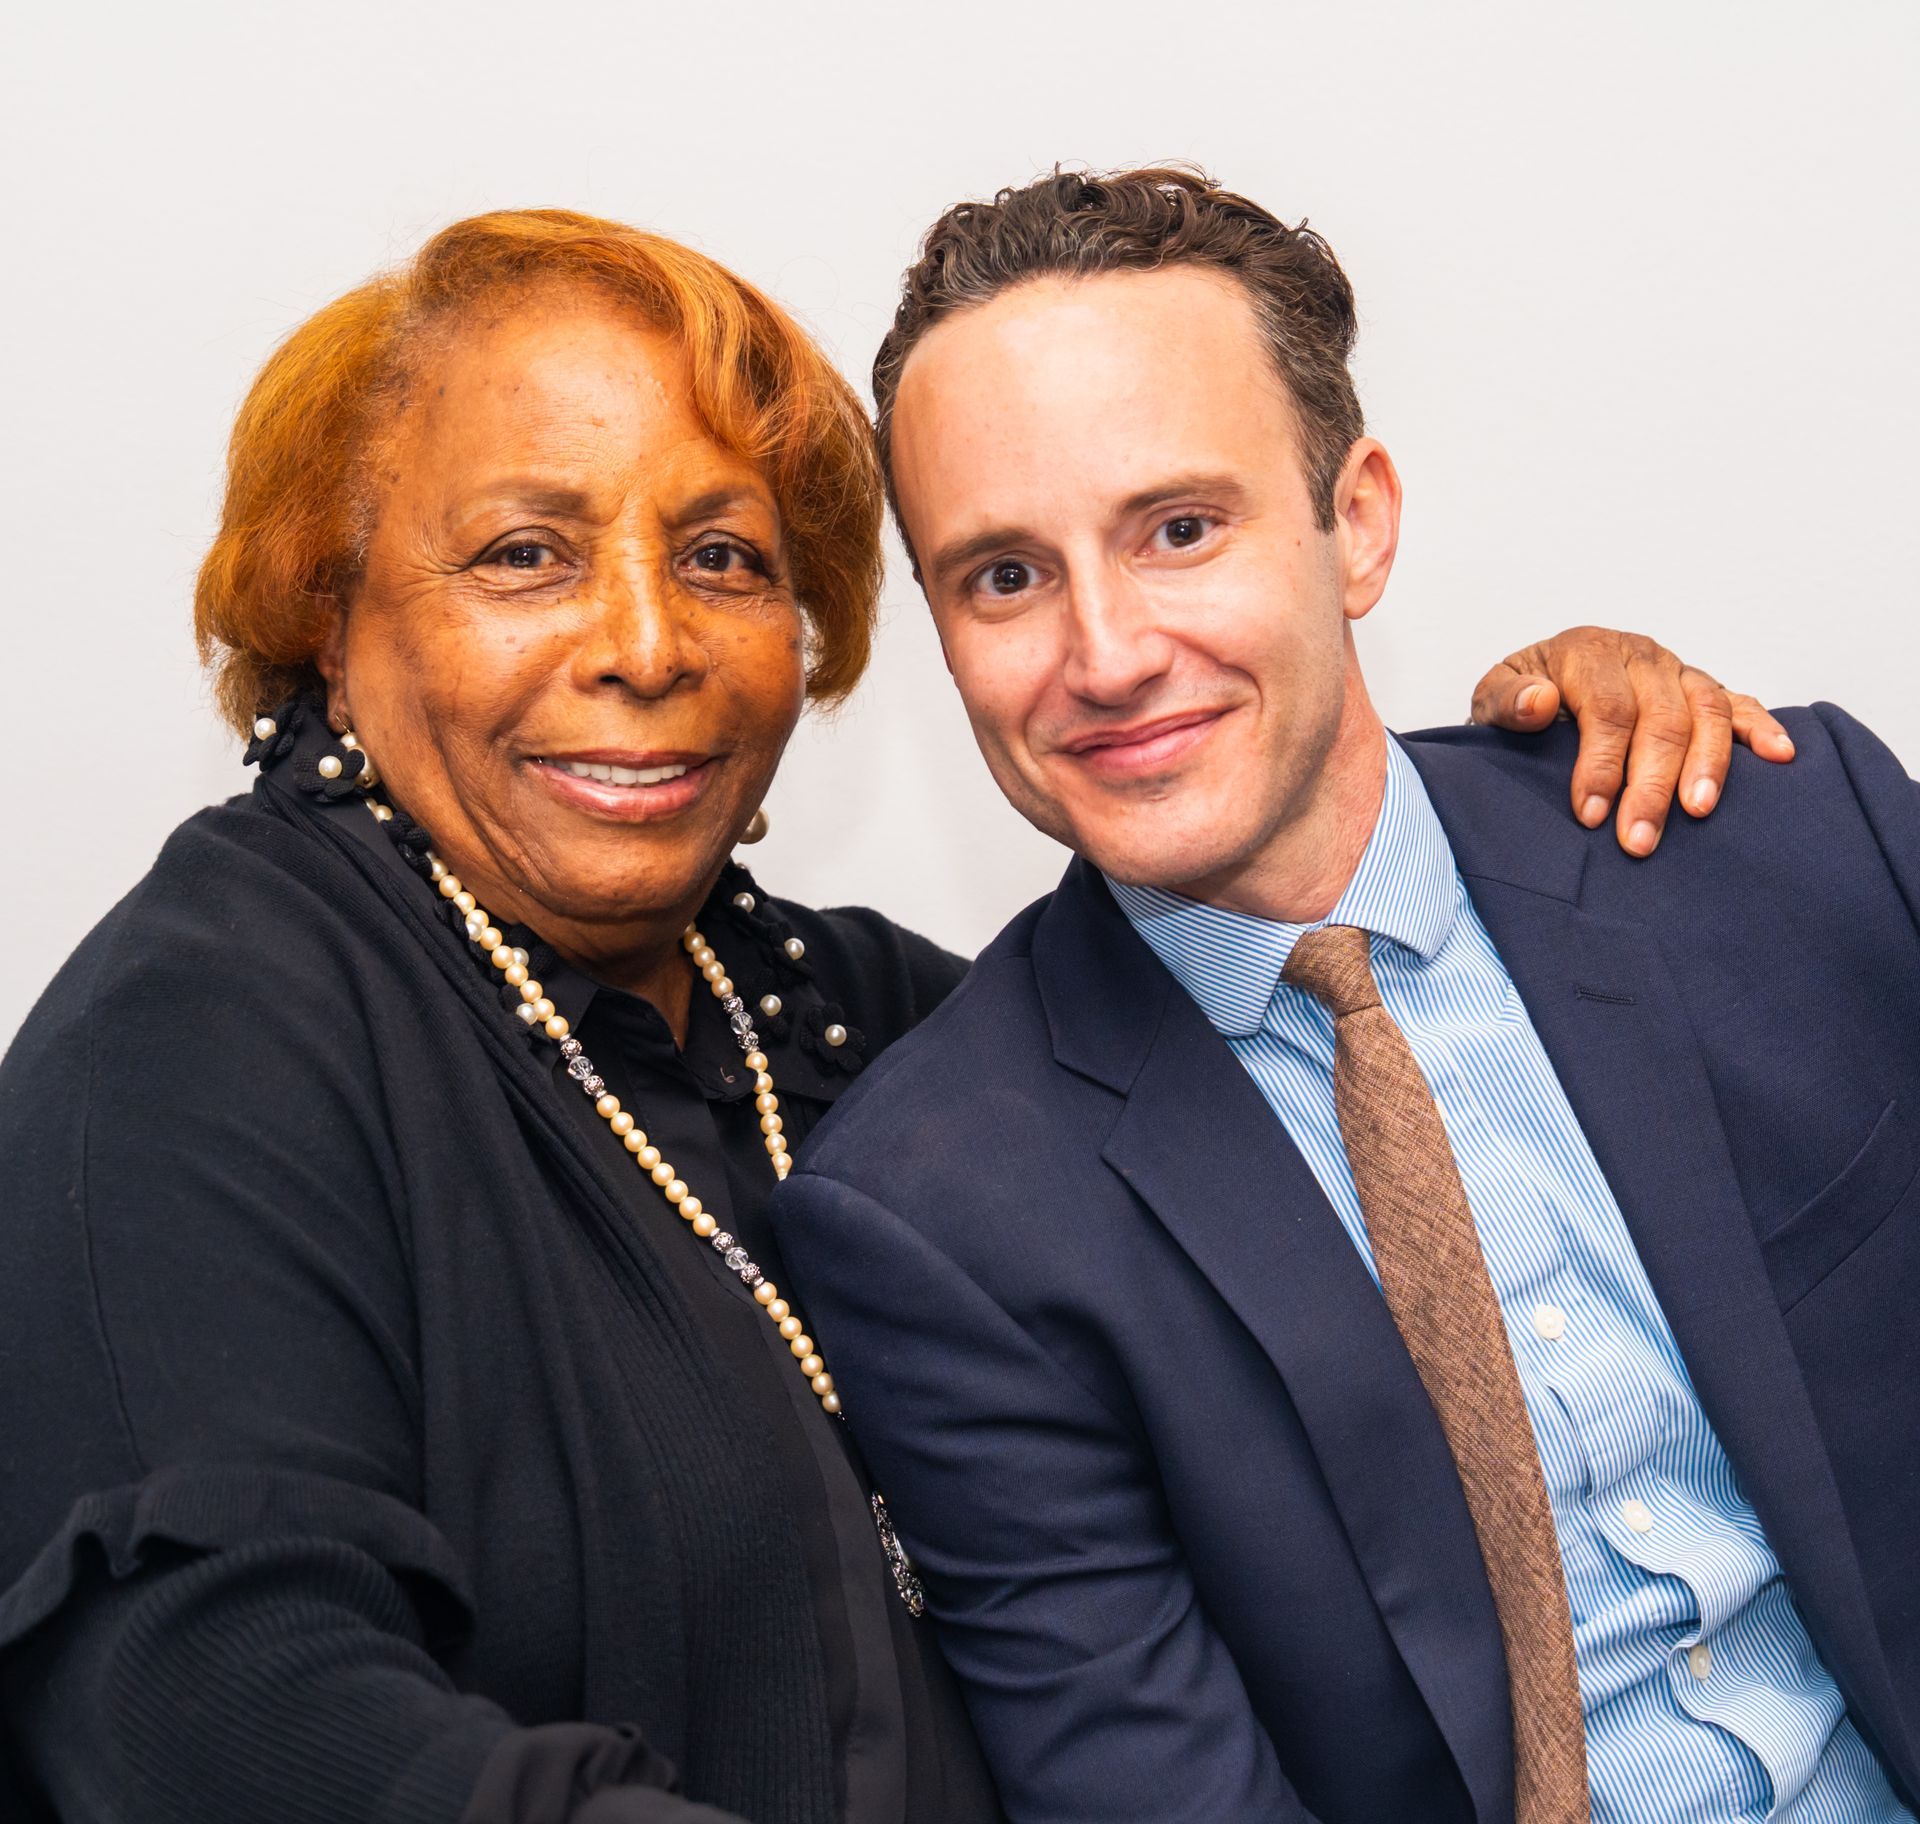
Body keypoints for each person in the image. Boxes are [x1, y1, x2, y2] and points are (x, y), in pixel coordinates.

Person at [0, 204, 1746, 1824]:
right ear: (327, 603)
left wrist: (1531, 799)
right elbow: (206, 1699)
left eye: (725, 558)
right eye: (527, 554)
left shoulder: (850, 1015)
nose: (647, 641)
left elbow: (1337, 1064)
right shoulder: (200, 1039)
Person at [773, 168, 1920, 1824]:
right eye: (1004, 576)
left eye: (1179, 529)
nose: (1104, 655)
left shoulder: (1779, 840)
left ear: (1356, 520)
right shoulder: (939, 1219)